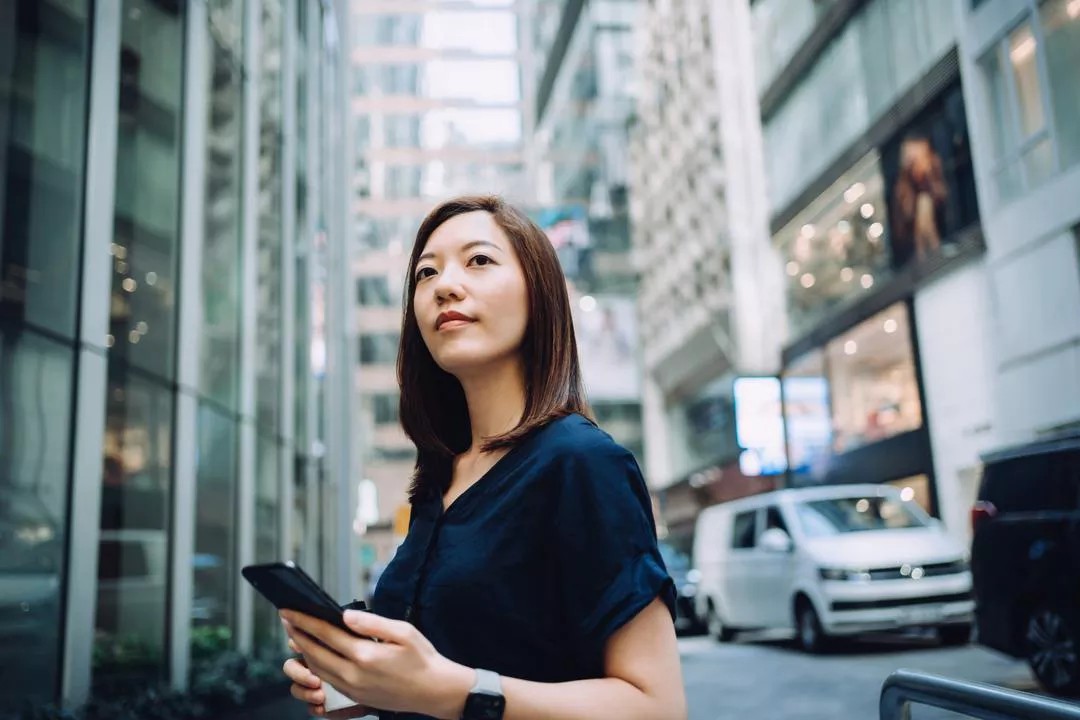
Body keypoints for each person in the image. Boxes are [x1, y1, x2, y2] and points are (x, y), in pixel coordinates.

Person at [279, 195, 685, 720]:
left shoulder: (582, 463)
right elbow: (453, 662)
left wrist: (453, 690)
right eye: (426, 273)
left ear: (538, 294)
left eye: (479, 261)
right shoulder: (438, 480)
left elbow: (658, 707)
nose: (444, 285)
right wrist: (363, 685)